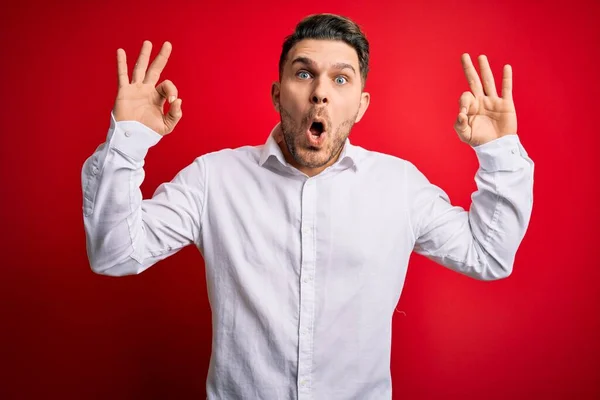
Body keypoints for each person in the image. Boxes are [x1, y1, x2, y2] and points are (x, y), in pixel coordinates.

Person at [81, 13, 534, 400]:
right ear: (278, 94)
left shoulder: (399, 186)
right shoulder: (212, 179)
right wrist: (129, 140)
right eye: (303, 74)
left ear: (360, 104)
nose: (321, 92)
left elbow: (488, 256)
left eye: (341, 79)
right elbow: (115, 253)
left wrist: (499, 151)